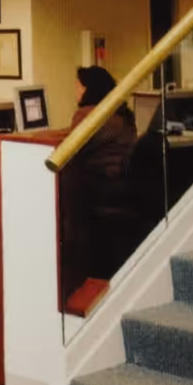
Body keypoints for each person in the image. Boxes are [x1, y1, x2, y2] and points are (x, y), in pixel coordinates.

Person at [60, 66, 140, 295]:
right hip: (119, 189)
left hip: (97, 192)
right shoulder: (121, 114)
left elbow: (70, 153)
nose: (75, 91)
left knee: (65, 184)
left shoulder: (88, 115)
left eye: (78, 86)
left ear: (89, 89)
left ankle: (71, 277)